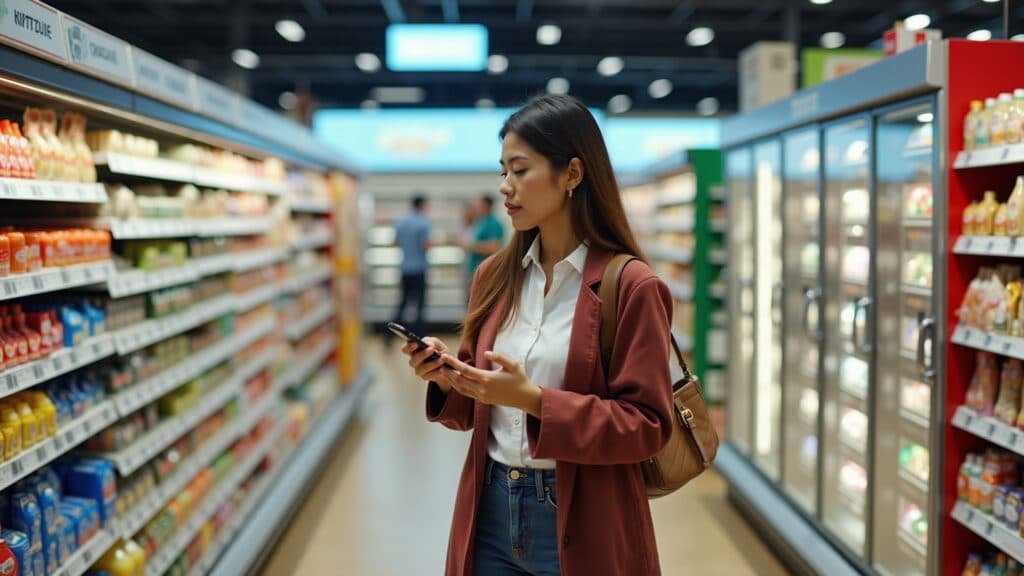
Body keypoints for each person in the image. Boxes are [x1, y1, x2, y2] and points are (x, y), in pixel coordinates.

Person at [401, 95, 674, 576]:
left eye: (520, 170)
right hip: (488, 509)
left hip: (582, 518)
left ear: (572, 174)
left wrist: (535, 401)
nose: (505, 187)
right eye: (502, 171)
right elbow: (474, 409)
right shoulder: (494, 277)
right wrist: (448, 378)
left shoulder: (631, 287)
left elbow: (648, 426)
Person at [391, 194, 432, 338]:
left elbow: (395, 242)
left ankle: (390, 335)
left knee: (402, 303)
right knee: (420, 306)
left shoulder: (400, 222)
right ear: (421, 205)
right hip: (419, 269)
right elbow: (425, 245)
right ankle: (420, 336)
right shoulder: (423, 222)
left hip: (405, 268)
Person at [464, 194, 505, 280]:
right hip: (475, 270)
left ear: (486, 206)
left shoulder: (493, 224)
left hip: (486, 273)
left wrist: (469, 246)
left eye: (479, 205)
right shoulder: (481, 222)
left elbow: (494, 247)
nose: (476, 208)